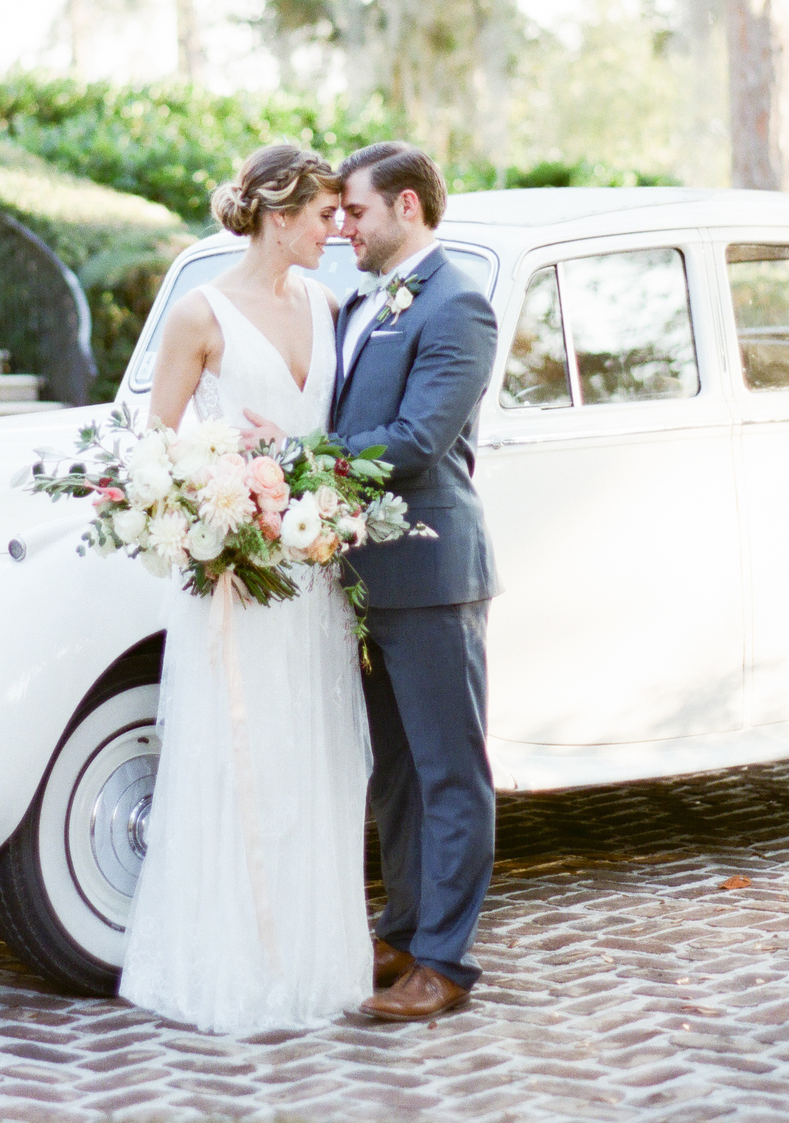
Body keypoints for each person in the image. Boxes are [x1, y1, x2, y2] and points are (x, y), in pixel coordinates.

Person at [119, 143, 373, 1034]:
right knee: (241, 759)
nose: (337, 230)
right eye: (323, 215)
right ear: (278, 212)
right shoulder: (200, 313)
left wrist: (306, 479)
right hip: (238, 577)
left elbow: (333, 435)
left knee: (314, 757)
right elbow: (155, 448)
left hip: (312, 574)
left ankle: (309, 960)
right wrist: (231, 475)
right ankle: (233, 964)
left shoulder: (328, 302)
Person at [328, 142, 501, 1022]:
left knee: (449, 772)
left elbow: (415, 440)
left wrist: (300, 462)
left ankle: (447, 960)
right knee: (395, 772)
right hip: (365, 576)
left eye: (354, 211)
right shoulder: (362, 300)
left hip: (432, 567)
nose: (341, 227)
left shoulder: (458, 303)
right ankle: (399, 929)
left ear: (406, 206)